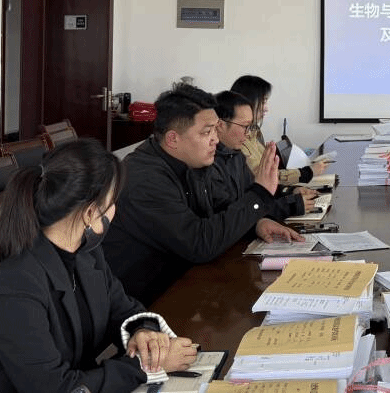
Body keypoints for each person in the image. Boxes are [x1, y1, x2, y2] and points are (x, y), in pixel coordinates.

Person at [0, 139, 198, 393]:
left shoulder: (86, 254)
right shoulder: (15, 282)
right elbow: (55, 388)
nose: (115, 209)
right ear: (90, 213)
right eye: (112, 202)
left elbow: (125, 309)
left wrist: (144, 332)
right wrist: (143, 367)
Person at [102, 83, 303, 304]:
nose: (215, 139)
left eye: (215, 129)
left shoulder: (191, 163)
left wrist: (257, 223)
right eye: (206, 132)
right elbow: (199, 243)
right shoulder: (144, 179)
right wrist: (260, 194)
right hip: (145, 300)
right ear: (173, 139)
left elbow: (220, 210)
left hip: (185, 282)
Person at [211, 89, 318, 217]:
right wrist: (290, 206)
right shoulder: (210, 162)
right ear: (220, 125)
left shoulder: (236, 155)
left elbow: (257, 191)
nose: (248, 133)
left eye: (250, 127)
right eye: (244, 126)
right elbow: (236, 215)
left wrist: (291, 192)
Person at [231, 74, 332, 185]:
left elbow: (269, 171)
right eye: (263, 102)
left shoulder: (254, 132)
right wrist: (307, 172)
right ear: (248, 102)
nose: (266, 108)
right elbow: (264, 176)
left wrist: (297, 187)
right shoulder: (238, 140)